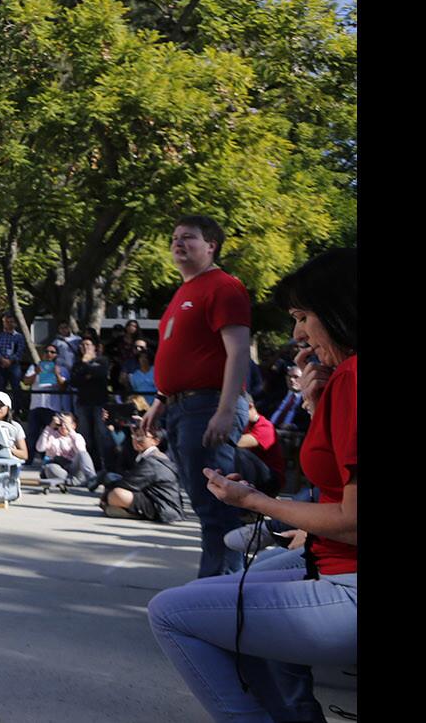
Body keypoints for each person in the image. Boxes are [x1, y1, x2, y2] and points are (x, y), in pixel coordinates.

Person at [147, 247, 356, 722]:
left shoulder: (353, 378)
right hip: (332, 560)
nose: (298, 334)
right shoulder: (341, 378)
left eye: (304, 317)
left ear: (342, 309)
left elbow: (351, 521)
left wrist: (257, 501)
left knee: (170, 613)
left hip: (347, 578)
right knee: (246, 575)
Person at [139, 215, 252, 578]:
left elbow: (238, 352)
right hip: (182, 407)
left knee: (217, 507)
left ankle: (220, 591)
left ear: (211, 246)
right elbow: (184, 354)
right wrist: (160, 400)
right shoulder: (184, 291)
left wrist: (224, 409)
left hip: (208, 405)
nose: (178, 243)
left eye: (189, 237)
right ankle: (214, 588)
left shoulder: (223, 286)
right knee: (206, 505)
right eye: (174, 237)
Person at [97, 428, 184, 523]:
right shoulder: (148, 456)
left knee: (117, 493)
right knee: (114, 491)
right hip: (156, 501)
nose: (136, 440)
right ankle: (125, 510)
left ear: (155, 441)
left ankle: (134, 513)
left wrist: (106, 493)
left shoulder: (153, 461)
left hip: (164, 507)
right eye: (134, 436)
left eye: (141, 437)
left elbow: (129, 484)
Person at [70, 337, 111, 475]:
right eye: (82, 345)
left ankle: (106, 465)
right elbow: (75, 381)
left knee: (101, 434)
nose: (84, 347)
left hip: (99, 402)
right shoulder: (78, 363)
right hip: (83, 403)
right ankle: (88, 466)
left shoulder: (102, 361)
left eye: (88, 344)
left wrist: (86, 370)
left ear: (94, 347)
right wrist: (85, 366)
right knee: (85, 436)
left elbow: (101, 375)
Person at [22, 344, 69, 463]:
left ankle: (48, 461)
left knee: (50, 435)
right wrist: (36, 373)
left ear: (56, 355)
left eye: (52, 352)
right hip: (36, 406)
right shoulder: (35, 367)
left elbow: (63, 386)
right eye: (47, 351)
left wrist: (56, 374)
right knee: (32, 434)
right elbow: (26, 382)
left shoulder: (62, 369)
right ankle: (29, 460)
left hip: (52, 407)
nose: (49, 354)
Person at [36, 413, 97, 487]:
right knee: (49, 467)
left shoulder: (77, 436)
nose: (63, 426)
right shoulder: (51, 435)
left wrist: (70, 431)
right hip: (58, 467)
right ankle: (74, 481)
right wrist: (49, 427)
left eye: (66, 424)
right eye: (61, 424)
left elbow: (80, 451)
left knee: (83, 454)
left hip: (73, 467)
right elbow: (40, 448)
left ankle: (92, 479)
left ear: (74, 425)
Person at [0, 313, 27, 410]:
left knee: (16, 388)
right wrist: (1, 359)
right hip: (1, 364)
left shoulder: (19, 337)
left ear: (15, 323)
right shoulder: (0, 336)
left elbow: (20, 351)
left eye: (11, 322)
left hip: (14, 365)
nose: (8, 324)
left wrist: (10, 361)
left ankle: (17, 410)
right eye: (6, 322)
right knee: (0, 388)